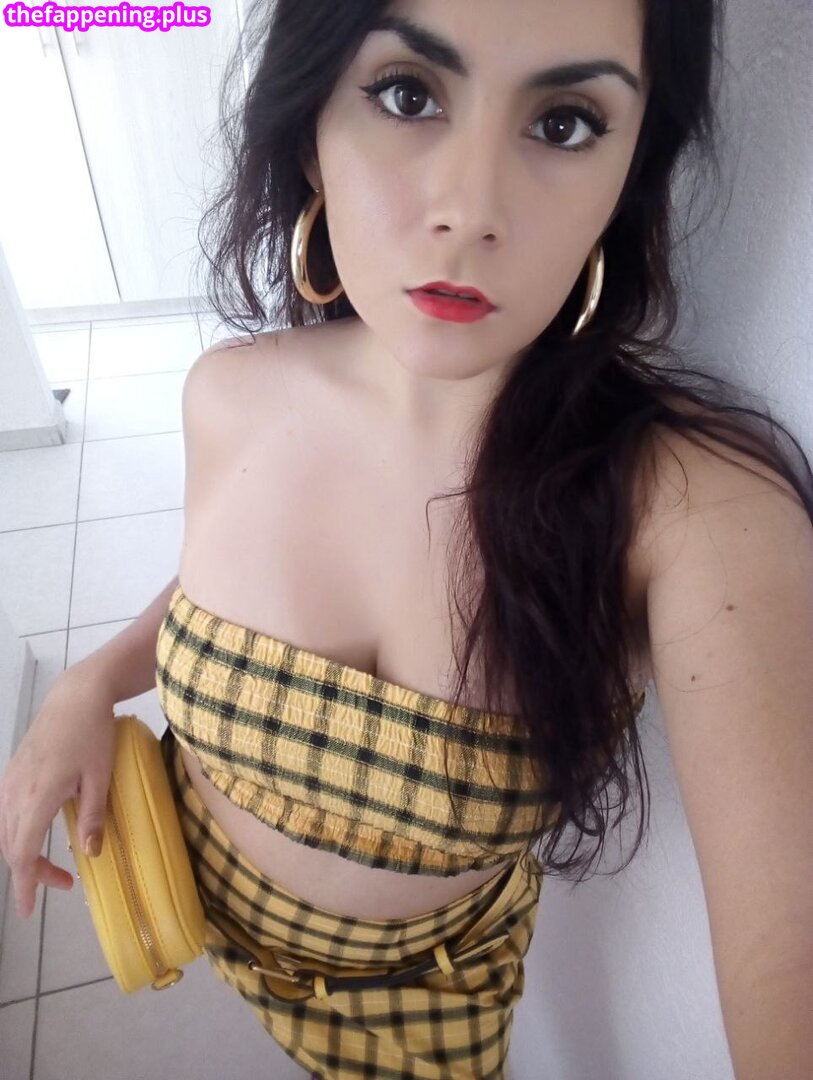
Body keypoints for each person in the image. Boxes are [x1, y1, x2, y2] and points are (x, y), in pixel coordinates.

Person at [2, 1, 812, 1077]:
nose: (469, 211)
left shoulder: (691, 509)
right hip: (202, 904)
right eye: (407, 94)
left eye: (565, 123)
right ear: (310, 130)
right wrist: (90, 682)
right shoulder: (228, 395)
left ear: (631, 170)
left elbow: (785, 950)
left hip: (426, 1004)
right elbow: (210, 592)